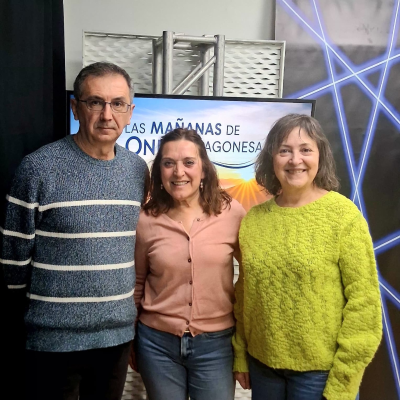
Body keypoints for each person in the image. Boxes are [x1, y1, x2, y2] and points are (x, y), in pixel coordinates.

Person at [0, 62, 148, 400]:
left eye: (118, 104)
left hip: (116, 337)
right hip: (52, 341)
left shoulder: (138, 170)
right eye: (95, 102)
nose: (107, 115)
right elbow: (13, 259)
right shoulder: (38, 168)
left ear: (130, 113)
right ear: (75, 108)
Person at [232, 114, 382, 400]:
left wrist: (343, 382)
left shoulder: (343, 217)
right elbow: (245, 294)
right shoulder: (254, 220)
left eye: (305, 149)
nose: (295, 160)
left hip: (320, 375)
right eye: (284, 150)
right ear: (272, 158)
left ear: (320, 156)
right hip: (262, 367)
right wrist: (240, 353)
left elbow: (364, 304)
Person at [132, 128, 246, 400]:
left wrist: (244, 341)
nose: (178, 172)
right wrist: (131, 340)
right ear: (159, 171)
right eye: (168, 163)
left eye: (189, 162)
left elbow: (252, 276)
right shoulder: (145, 219)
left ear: (204, 169)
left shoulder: (232, 213)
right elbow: (137, 283)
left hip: (217, 346)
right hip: (156, 345)